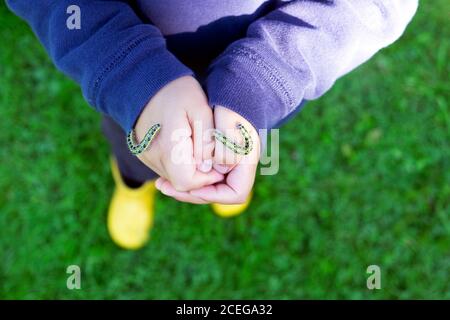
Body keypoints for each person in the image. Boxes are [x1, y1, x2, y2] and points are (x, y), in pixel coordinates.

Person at [7, 0, 418, 249]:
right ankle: (133, 185)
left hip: (259, 100)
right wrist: (129, 74)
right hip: (136, 97)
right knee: (136, 156)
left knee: (246, 149)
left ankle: (225, 173)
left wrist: (268, 76)